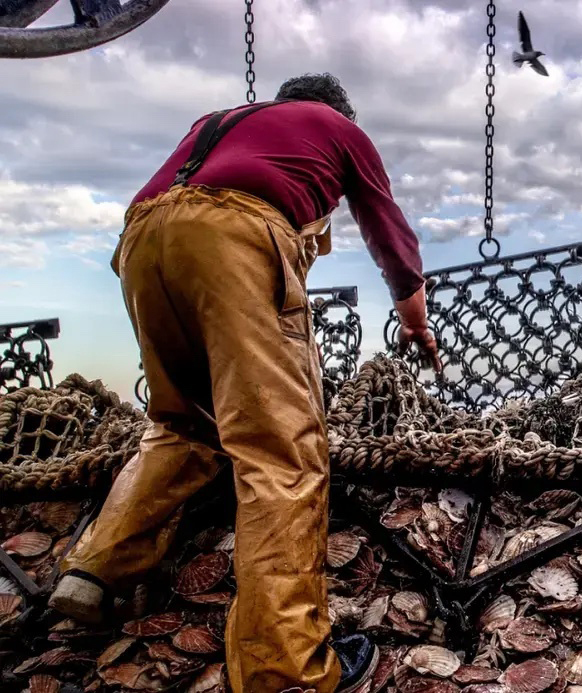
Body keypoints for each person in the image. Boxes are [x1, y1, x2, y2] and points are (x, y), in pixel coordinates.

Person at [49, 73, 442, 693]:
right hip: (234, 238)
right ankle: (285, 668)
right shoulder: (339, 129)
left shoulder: (217, 122)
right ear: (335, 110)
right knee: (279, 450)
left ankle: (95, 570)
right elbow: (387, 232)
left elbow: (182, 200)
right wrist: (415, 321)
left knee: (181, 422)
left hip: (142, 242)